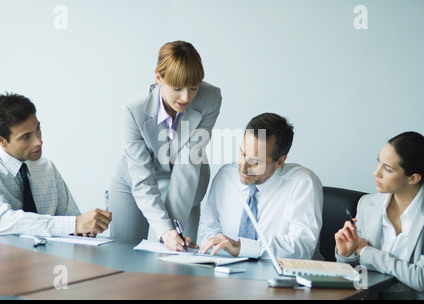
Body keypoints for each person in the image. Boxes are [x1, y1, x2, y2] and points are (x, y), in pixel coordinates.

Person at [108, 40, 222, 250]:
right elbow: (142, 178)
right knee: (123, 255)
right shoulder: (133, 110)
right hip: (136, 181)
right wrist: (164, 231)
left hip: (187, 182)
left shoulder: (211, 98)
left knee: (181, 258)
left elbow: (189, 160)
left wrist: (172, 233)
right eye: (177, 88)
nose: (186, 97)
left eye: (194, 88)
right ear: (159, 78)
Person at [198, 113, 323, 259]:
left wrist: (241, 248)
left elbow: (302, 246)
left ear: (279, 162)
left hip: (285, 278)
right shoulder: (225, 176)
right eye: (242, 154)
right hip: (228, 274)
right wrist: (210, 245)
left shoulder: (302, 183)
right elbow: (207, 230)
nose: (244, 168)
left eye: (255, 162)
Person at [0, 93, 112, 237]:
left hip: (50, 257)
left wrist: (86, 228)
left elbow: (72, 218)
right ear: (2, 141)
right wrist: (75, 224)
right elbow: (3, 221)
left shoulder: (46, 168)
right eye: (26, 137)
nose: (38, 142)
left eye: (38, 130)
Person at [335, 131, 424, 299]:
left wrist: (367, 252)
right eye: (379, 162)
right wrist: (348, 255)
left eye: (388, 169)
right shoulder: (367, 204)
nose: (376, 173)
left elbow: (420, 278)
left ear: (413, 178)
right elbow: (359, 274)